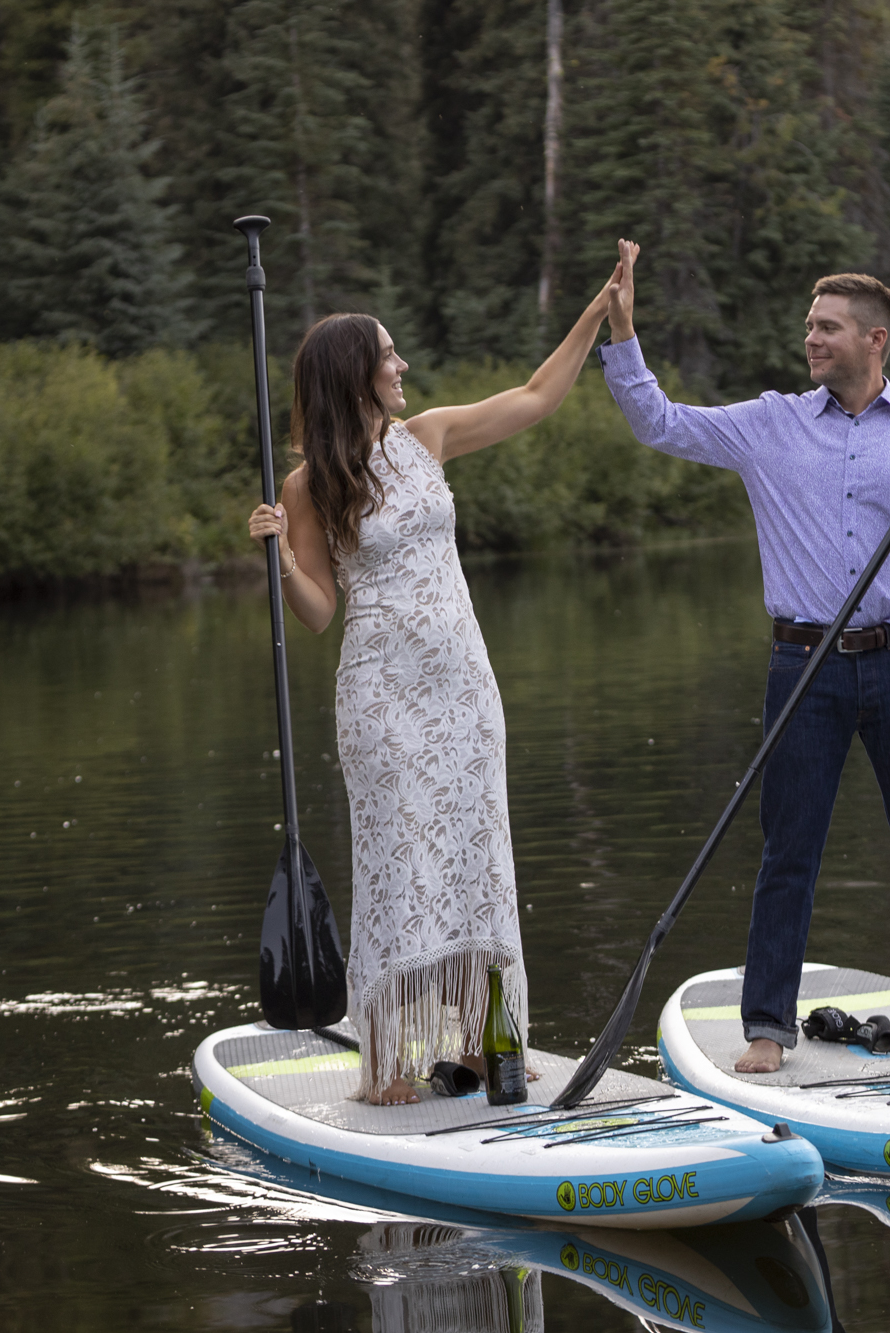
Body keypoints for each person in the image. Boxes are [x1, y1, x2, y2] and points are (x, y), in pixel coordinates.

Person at [598, 239, 890, 1074]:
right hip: (804, 669)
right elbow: (659, 421)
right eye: (810, 326)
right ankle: (767, 1030)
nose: (811, 339)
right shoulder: (769, 424)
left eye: (828, 327)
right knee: (789, 850)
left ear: (874, 340)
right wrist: (623, 330)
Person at [248, 269, 619, 1104]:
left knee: (478, 861)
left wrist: (595, 312)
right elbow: (315, 612)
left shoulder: (427, 438)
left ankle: (488, 1042)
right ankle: (383, 1063)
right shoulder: (308, 485)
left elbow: (534, 397)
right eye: (387, 355)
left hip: (462, 688)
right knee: (398, 867)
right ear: (355, 375)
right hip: (382, 694)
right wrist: (274, 558)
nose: (403, 363)